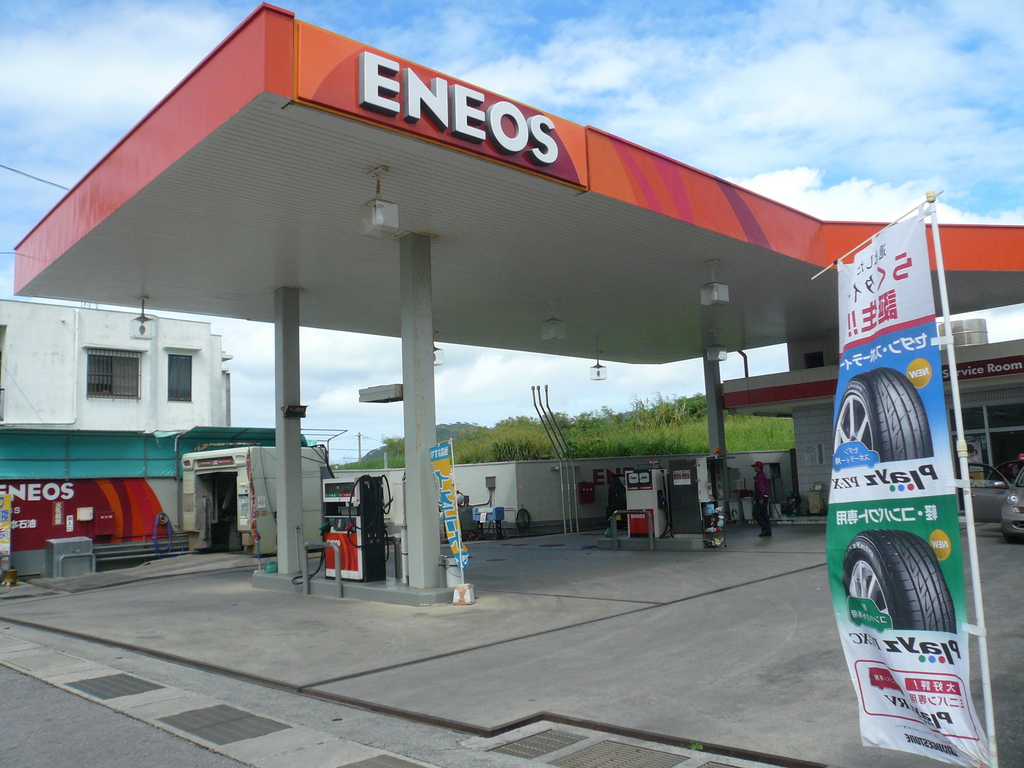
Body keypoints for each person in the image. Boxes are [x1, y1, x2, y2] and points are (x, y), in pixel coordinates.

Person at [752, 461, 772, 537]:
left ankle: (765, 528)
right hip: (764, 496)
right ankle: (768, 530)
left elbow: (761, 488)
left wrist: (761, 497)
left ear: (759, 467)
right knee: (763, 514)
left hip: (761, 497)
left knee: (755, 513)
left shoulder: (759, 476)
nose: (754, 468)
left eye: (755, 466)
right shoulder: (761, 475)